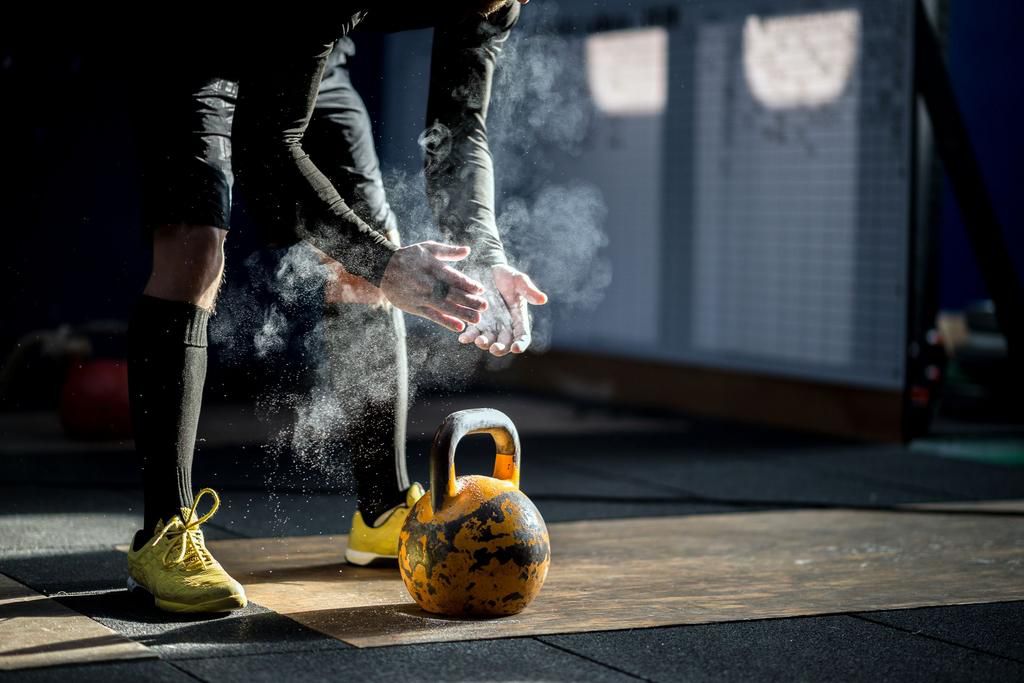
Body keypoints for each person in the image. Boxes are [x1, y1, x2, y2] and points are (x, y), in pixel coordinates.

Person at [125, 0, 547, 613]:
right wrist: (385, 264)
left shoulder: (499, 0)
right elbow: (268, 146)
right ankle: (162, 533)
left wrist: (484, 252)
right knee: (195, 251)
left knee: (372, 240)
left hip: (310, 55)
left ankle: (381, 510)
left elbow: (459, 128)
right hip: (197, 39)